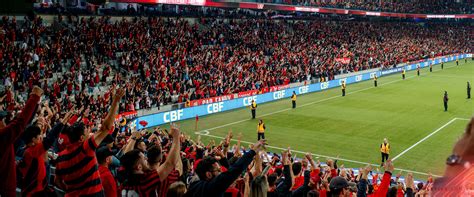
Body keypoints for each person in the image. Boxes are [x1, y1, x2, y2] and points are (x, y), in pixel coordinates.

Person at [55, 88, 124, 196]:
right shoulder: (85, 148)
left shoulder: (60, 157)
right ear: (82, 138)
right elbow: (105, 128)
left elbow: (57, 181)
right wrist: (115, 101)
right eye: (87, 131)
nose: (90, 132)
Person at [0, 86, 42, 197]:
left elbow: (23, 123)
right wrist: (35, 97)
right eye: (3, 120)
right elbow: (20, 123)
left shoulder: (7, 139)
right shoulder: (2, 136)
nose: (5, 123)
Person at [186, 140, 266, 197]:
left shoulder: (194, 185)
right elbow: (234, 170)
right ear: (209, 174)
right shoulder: (212, 188)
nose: (221, 172)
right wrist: (252, 152)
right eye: (218, 170)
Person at [120, 123, 181, 196]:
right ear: (139, 167)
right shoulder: (145, 181)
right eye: (143, 158)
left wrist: (133, 138)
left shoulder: (124, 181)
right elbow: (170, 163)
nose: (146, 158)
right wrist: (176, 137)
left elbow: (127, 155)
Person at [19, 112, 71, 196]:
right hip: (34, 192)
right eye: (38, 135)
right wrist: (63, 121)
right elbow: (49, 139)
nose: (40, 136)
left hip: (41, 187)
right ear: (33, 139)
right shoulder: (31, 152)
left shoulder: (30, 150)